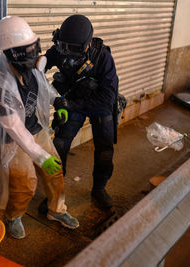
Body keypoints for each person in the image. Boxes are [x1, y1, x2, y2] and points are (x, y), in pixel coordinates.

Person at [0, 16, 79, 239]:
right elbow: (14, 127)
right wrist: (40, 156)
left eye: (34, 45)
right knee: (25, 183)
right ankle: (14, 216)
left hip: (33, 128)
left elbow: (43, 85)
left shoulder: (30, 67)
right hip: (11, 137)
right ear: (11, 53)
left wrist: (58, 101)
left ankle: (57, 210)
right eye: (28, 48)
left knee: (55, 169)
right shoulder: (0, 84)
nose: (35, 52)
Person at [40, 14, 119, 210]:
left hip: (96, 104)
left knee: (105, 151)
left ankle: (99, 188)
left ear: (88, 44)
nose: (67, 54)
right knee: (59, 145)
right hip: (72, 99)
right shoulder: (60, 49)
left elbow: (107, 98)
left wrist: (71, 105)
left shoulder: (103, 59)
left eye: (74, 49)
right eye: (63, 47)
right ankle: (55, 192)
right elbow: (39, 67)